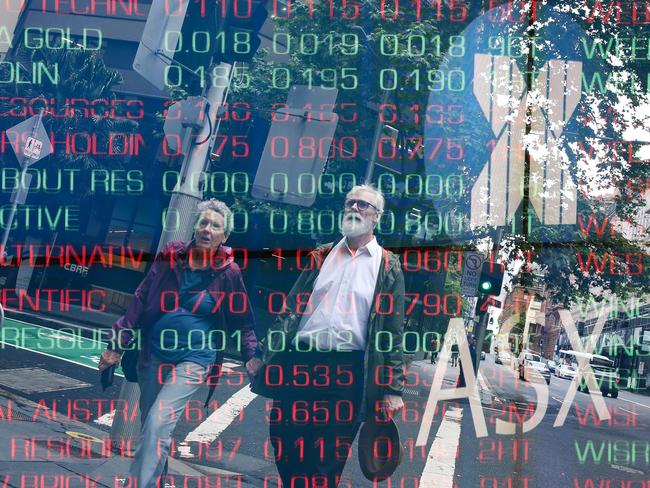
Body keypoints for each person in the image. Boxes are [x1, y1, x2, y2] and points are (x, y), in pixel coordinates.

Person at [250, 184, 406, 488]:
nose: (355, 209)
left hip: (346, 372)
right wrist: (262, 354)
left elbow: (392, 332)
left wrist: (393, 388)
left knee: (327, 456)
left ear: (377, 218)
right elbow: (290, 310)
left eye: (364, 205)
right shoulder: (321, 255)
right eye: (351, 203)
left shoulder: (387, 267)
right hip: (299, 362)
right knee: (284, 439)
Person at [98, 199, 260, 488]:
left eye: (216, 226)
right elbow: (141, 298)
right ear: (195, 227)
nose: (207, 229)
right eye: (204, 222)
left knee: (158, 423)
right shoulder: (170, 257)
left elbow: (244, 319)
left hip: (195, 358)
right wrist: (116, 344)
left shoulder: (229, 272)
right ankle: (156, 482)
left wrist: (252, 356)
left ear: (225, 237)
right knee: (152, 429)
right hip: (154, 354)